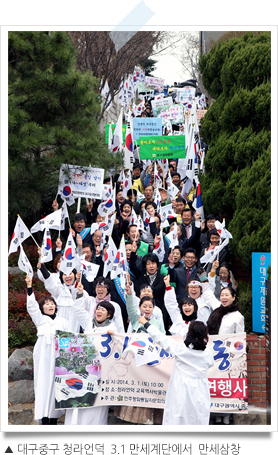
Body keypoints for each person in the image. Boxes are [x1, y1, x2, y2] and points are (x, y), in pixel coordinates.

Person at [139, 317, 214, 425]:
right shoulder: (207, 354)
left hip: (180, 387)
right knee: (198, 416)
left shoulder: (180, 349)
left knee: (177, 415)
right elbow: (210, 364)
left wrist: (146, 323)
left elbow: (160, 337)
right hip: (199, 390)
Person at [64, 281, 115, 425]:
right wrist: (79, 293)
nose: (99, 311)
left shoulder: (113, 328)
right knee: (79, 403)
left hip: (100, 372)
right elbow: (79, 310)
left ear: (109, 314)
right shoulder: (88, 323)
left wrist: (113, 335)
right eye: (98, 309)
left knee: (95, 407)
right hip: (82, 369)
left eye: (103, 310)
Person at [114, 282, 165, 425]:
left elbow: (162, 337)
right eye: (144, 306)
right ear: (140, 307)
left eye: (150, 307)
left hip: (150, 359)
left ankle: (149, 416)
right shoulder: (136, 317)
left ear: (153, 308)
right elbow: (130, 306)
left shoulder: (157, 322)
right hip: (134, 359)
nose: (147, 309)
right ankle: (128, 415)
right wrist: (129, 293)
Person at [25, 275, 70, 425]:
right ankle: (44, 418)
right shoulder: (40, 319)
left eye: (52, 303)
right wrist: (30, 287)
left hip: (58, 358)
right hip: (43, 357)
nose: (50, 305)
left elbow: (69, 340)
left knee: (56, 385)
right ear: (42, 307)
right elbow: (31, 306)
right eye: (47, 303)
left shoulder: (63, 322)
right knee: (43, 384)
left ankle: (54, 418)